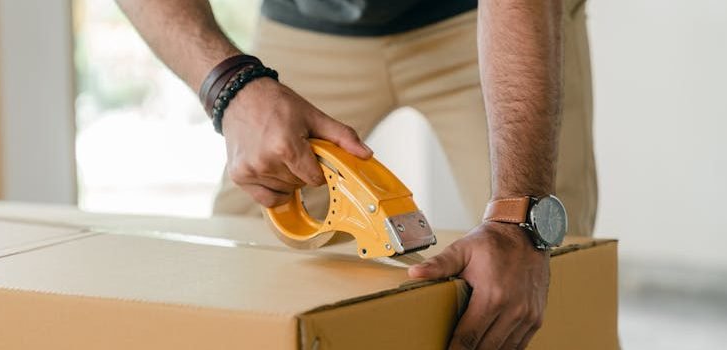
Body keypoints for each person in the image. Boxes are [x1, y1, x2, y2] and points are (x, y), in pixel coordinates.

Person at [117, 0, 596, 348]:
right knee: (248, 249)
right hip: (307, 25)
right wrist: (231, 85)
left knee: (547, 268)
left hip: (479, 18)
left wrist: (519, 213)